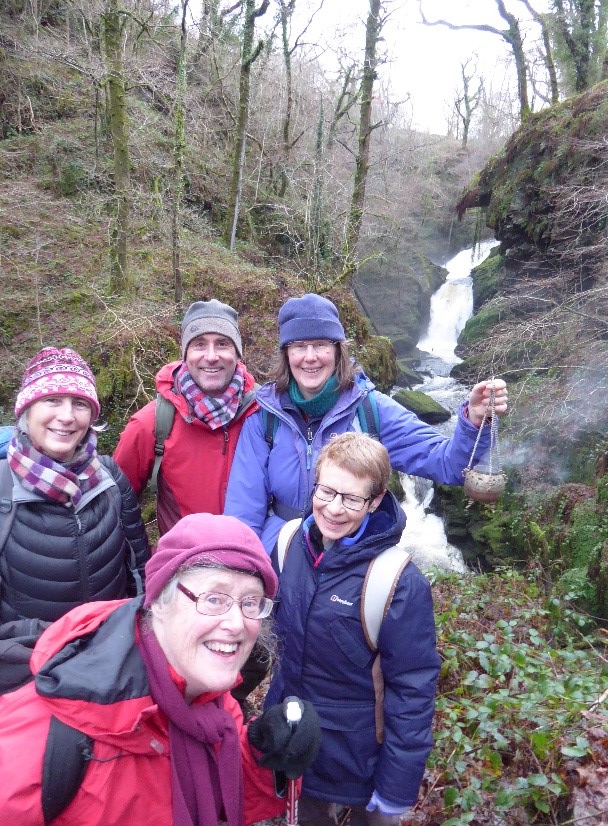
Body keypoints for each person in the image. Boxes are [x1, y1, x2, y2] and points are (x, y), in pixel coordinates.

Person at [0, 513, 320, 826]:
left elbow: (224, 790)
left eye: (250, 602)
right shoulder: (44, 737)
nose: (237, 623)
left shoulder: (206, 695)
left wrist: (263, 752)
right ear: (159, 601)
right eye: (213, 599)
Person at [224, 292, 509, 553]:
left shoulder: (371, 410)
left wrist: (473, 420)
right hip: (282, 555)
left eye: (321, 345)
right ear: (286, 354)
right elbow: (243, 512)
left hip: (352, 561)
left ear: (337, 351)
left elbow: (447, 464)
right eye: (299, 346)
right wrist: (244, 570)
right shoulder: (265, 417)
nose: (310, 357)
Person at [266, 432, 439, 824]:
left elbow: (413, 689)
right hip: (296, 742)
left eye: (352, 499)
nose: (334, 509)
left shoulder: (397, 583)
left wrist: (396, 787)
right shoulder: (291, 541)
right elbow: (278, 641)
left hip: (361, 755)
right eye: (326, 492)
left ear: (376, 500)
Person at [0, 346, 150, 694]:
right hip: (28, 679)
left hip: (112, 668)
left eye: (79, 404)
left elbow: (141, 572)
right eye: (52, 400)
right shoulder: (3, 487)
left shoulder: (109, 477)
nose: (67, 416)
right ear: (27, 409)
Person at [114, 299, 258, 537]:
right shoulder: (151, 424)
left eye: (222, 344)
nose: (211, 356)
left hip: (252, 565)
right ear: (185, 354)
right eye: (199, 344)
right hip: (184, 567)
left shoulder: (263, 414)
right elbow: (116, 508)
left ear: (237, 354)